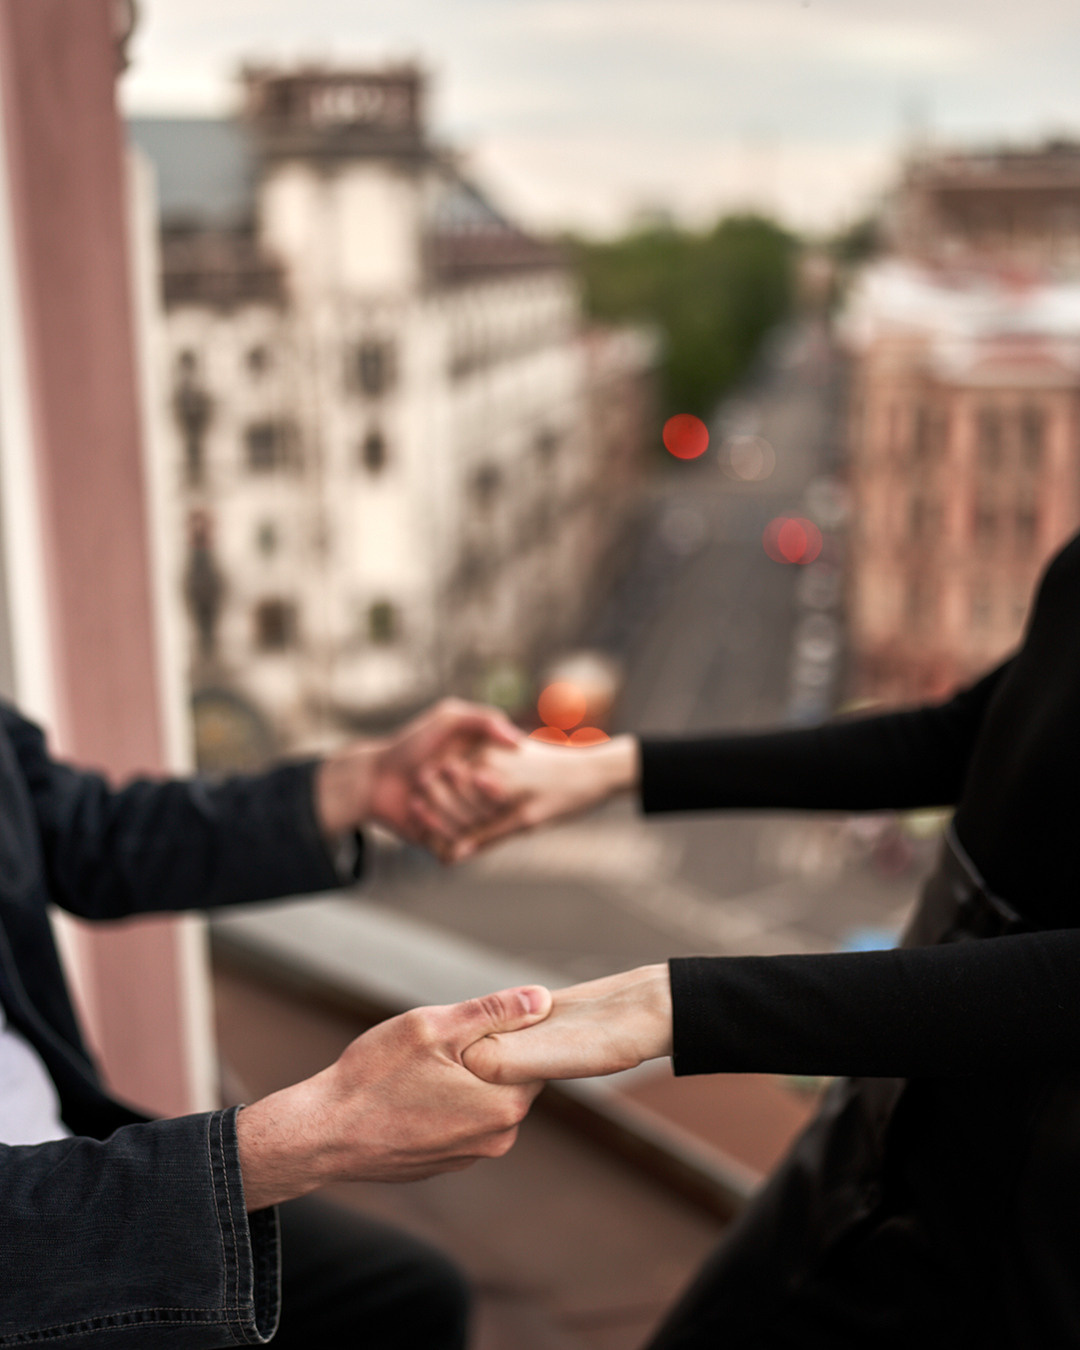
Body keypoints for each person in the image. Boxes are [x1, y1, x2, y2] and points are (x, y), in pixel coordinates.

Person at [435, 528, 1080, 1349]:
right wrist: (608, 769)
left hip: (1035, 1225)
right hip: (884, 1124)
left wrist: (673, 1005)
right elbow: (971, 737)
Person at [0, 696, 547, 1350]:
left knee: (408, 1295)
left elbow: (85, 830)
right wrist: (303, 1139)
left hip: (61, 1148)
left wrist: (359, 783)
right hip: (29, 1249)